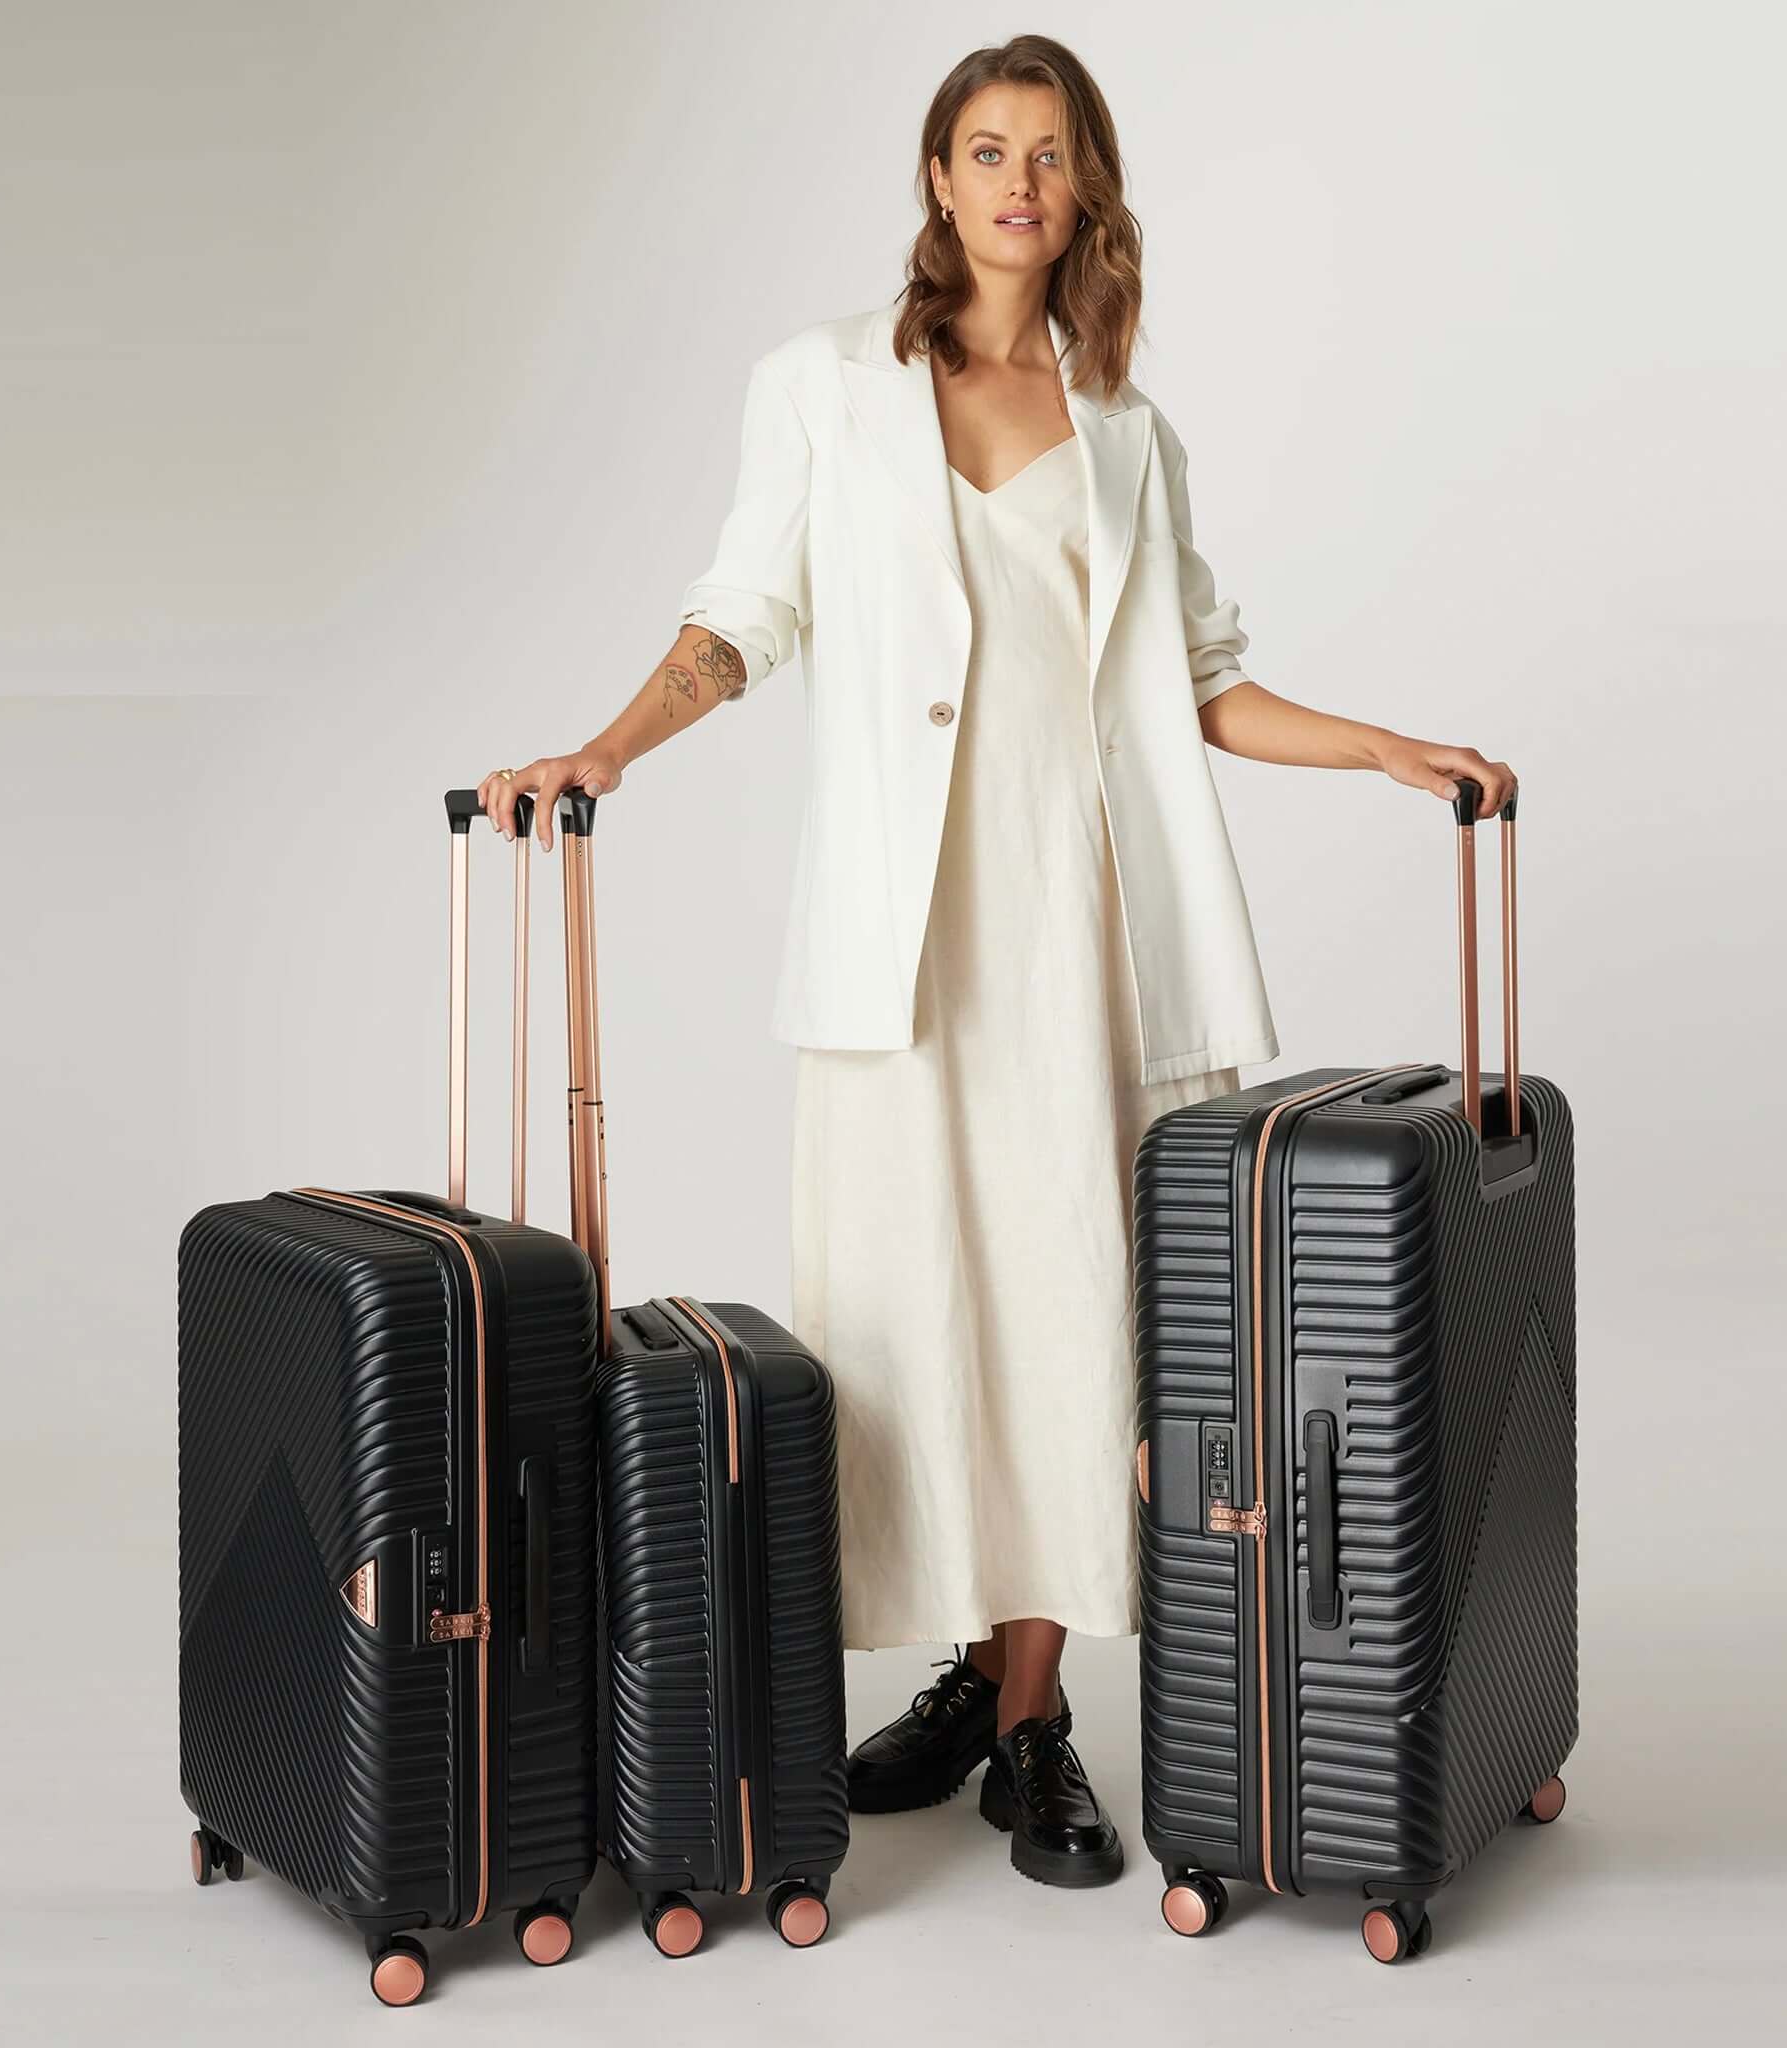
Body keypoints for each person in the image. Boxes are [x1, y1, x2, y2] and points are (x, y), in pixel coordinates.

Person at [477, 33, 1515, 1894]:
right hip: (898, 934)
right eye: (984, 148)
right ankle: (971, 1665)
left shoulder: (1127, 429)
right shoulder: (822, 389)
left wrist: (1380, 748)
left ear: (1086, 186)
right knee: (899, 1320)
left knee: (1071, 1310)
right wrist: (604, 750)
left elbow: (1200, 682)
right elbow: (742, 615)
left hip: (1082, 934)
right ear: (938, 180)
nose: (1018, 179)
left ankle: (1030, 1715)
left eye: (1050, 152)